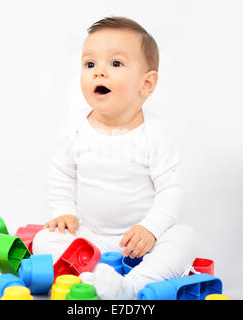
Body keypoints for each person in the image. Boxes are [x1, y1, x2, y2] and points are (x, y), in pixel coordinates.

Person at [33, 16, 199, 299]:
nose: (99, 72)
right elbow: (62, 173)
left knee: (186, 238)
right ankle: (96, 275)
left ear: (146, 84)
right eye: (90, 64)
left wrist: (150, 229)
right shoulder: (76, 128)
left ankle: (135, 283)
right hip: (91, 239)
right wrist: (65, 212)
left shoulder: (154, 134)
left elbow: (171, 190)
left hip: (142, 242)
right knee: (43, 239)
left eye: (116, 63)